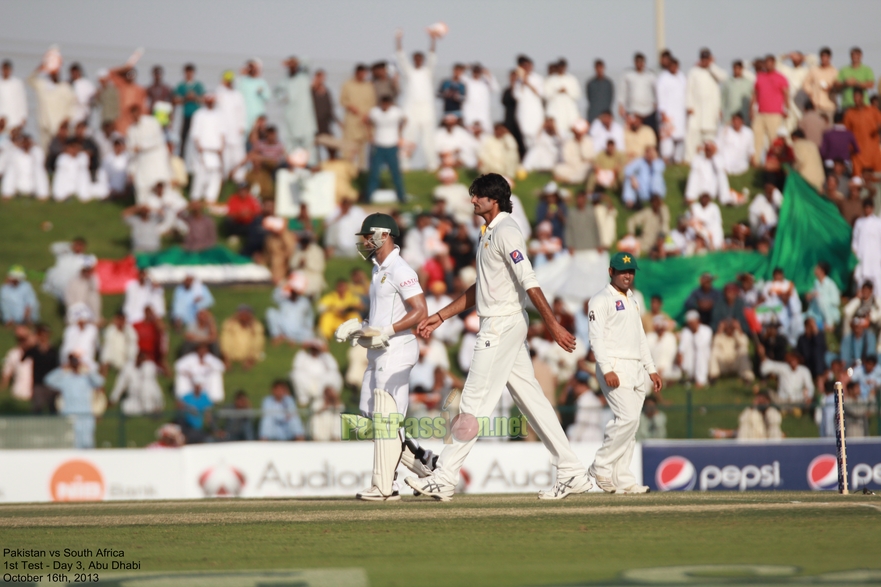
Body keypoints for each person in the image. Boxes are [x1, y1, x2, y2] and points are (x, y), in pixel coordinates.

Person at [410, 174, 593, 501]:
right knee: (532, 401)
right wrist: (440, 316)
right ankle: (572, 470)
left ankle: (445, 476)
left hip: (500, 326)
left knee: (472, 403)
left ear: (493, 199)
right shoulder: (489, 233)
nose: (472, 201)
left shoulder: (507, 232)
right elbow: (481, 288)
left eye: (477, 196)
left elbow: (529, 280)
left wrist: (552, 324)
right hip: (501, 323)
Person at [330, 212, 430, 499]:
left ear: (383, 234)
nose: (363, 241)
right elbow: (382, 316)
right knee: (371, 416)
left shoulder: (401, 269)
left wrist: (388, 329)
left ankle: (386, 486)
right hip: (379, 350)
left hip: (397, 348)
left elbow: (420, 311)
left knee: (387, 420)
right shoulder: (378, 269)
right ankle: (424, 464)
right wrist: (359, 327)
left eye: (367, 235)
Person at [581, 252, 662, 493]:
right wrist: (606, 369)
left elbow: (640, 337)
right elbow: (595, 338)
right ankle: (600, 466)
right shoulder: (599, 300)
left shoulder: (634, 298)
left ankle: (624, 481)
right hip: (614, 366)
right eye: (622, 271)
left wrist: (652, 369)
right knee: (626, 418)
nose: (627, 276)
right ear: (611, 272)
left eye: (630, 272)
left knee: (632, 425)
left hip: (636, 367)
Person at [395, 29, 439, 170]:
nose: (418, 61)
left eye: (420, 59)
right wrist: (398, 40)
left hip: (426, 108)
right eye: (416, 59)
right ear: (414, 60)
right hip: (411, 107)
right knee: (408, 136)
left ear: (422, 60)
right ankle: (405, 164)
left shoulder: (427, 71)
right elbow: (401, 58)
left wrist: (433, 39)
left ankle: (432, 164)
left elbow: (432, 56)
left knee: (428, 138)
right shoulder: (410, 71)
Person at [45, 353, 105, 449]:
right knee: (71, 445)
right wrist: (62, 368)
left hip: (85, 416)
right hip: (69, 416)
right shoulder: (65, 378)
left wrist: (87, 369)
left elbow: (100, 381)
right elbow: (48, 380)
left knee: (88, 444)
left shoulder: (86, 378)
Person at [290, 340, 343, 441]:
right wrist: (302, 349)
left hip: (323, 385)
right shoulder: (305, 357)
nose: (314, 350)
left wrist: (326, 352)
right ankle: (303, 398)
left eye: (316, 348)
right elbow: (296, 367)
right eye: (313, 348)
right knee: (296, 374)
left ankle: (331, 395)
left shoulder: (324, 358)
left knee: (335, 374)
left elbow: (334, 368)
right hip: (309, 384)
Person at [685, 48, 727, 163]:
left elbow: (723, 77)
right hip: (696, 110)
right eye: (703, 58)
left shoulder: (714, 71)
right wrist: (689, 105)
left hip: (710, 111)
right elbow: (689, 90)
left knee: (710, 137)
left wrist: (711, 65)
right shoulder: (694, 71)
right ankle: (690, 159)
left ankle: (710, 159)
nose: (705, 61)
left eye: (707, 58)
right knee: (693, 135)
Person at [126, 103, 170, 205]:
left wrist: (141, 146)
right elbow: (131, 151)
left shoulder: (152, 122)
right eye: (132, 115)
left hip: (156, 160)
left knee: (160, 188)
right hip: (142, 163)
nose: (134, 117)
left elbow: (158, 139)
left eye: (135, 114)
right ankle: (143, 212)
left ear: (140, 113)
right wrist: (131, 170)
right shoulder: (131, 130)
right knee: (141, 188)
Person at [28, 61, 77, 150]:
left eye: (56, 73)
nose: (55, 75)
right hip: (45, 126)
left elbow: (72, 106)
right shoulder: (42, 85)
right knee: (45, 151)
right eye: (52, 73)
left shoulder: (65, 87)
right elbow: (30, 80)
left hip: (59, 128)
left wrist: (66, 122)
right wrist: (40, 69)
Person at [366, 95, 406, 203]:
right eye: (383, 104)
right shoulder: (375, 112)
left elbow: (404, 120)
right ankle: (368, 196)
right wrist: (370, 135)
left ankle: (401, 196)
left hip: (392, 145)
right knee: (374, 172)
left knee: (395, 173)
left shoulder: (396, 112)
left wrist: (400, 133)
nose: (385, 106)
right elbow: (367, 121)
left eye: (387, 104)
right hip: (379, 145)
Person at [276, 56, 317, 162]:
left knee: (309, 150)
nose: (292, 67)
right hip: (291, 121)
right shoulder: (284, 81)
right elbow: (277, 94)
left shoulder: (304, 78)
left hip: (306, 122)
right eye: (290, 65)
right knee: (291, 149)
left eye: (294, 65)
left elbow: (309, 62)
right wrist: (283, 98)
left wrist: (296, 61)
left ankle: (310, 169)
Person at [751, 54, 789, 165]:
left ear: (774, 64)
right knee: (757, 137)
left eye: (770, 63)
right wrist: (751, 109)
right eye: (766, 63)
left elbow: (786, 94)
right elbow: (755, 94)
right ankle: (756, 161)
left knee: (774, 139)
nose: (768, 65)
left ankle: (775, 160)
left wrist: (787, 109)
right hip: (761, 112)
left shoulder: (780, 77)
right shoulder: (760, 77)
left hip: (775, 113)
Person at [339, 64, 376, 170]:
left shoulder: (369, 86)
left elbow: (373, 104)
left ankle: (361, 170)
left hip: (364, 122)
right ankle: (347, 168)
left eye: (365, 73)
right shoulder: (347, 85)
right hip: (351, 121)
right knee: (348, 146)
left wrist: (368, 115)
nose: (364, 75)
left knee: (362, 148)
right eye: (362, 73)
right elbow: (342, 100)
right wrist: (350, 106)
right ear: (357, 73)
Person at [108, 350, 163, 415]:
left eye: (144, 359)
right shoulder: (128, 367)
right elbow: (120, 384)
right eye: (141, 358)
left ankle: (154, 408)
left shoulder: (149, 366)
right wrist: (113, 398)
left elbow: (155, 384)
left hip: (150, 396)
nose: (142, 361)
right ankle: (149, 411)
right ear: (137, 357)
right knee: (126, 407)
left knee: (147, 386)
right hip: (135, 397)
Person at [215, 70, 247, 182]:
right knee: (224, 157)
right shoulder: (220, 93)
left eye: (231, 81)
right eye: (227, 81)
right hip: (223, 133)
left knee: (238, 155)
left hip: (236, 132)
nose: (229, 83)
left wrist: (242, 126)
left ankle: (239, 179)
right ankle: (223, 178)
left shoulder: (238, 95)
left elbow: (242, 112)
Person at [266, 274, 314, 345]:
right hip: (283, 327)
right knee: (270, 312)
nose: (293, 293)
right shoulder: (283, 300)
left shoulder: (304, 302)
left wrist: (309, 326)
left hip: (298, 328)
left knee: (309, 334)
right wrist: (283, 285)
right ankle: (277, 335)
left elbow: (309, 316)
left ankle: (293, 340)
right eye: (292, 291)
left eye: (295, 291)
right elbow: (274, 297)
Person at [618, 52, 657, 139]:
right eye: (638, 62)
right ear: (634, 62)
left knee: (649, 134)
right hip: (633, 111)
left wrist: (656, 103)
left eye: (641, 62)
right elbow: (622, 91)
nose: (640, 64)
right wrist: (621, 106)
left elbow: (657, 91)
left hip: (648, 112)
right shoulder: (628, 75)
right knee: (632, 135)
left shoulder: (650, 76)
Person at [844, 89, 881, 177]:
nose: (856, 99)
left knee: (877, 176)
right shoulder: (850, 113)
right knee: (858, 176)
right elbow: (847, 132)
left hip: (873, 150)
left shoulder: (872, 110)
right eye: (854, 97)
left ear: (862, 97)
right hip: (858, 152)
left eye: (858, 96)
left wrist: (877, 128)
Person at [656, 57, 687, 162]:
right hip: (668, 113)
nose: (674, 68)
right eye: (672, 66)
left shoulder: (681, 77)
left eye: (676, 66)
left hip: (680, 113)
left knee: (680, 137)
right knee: (667, 138)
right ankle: (666, 158)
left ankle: (677, 158)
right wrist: (663, 113)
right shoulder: (663, 78)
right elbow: (660, 96)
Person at [513, 55, 545, 149]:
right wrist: (522, 82)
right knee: (525, 132)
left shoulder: (538, 78)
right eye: (524, 66)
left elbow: (540, 93)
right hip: (524, 110)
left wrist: (528, 83)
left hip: (535, 109)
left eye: (528, 65)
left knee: (536, 132)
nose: (527, 68)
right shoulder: (518, 81)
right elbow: (517, 96)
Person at [219, 304, 265, 370]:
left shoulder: (256, 325)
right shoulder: (231, 323)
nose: (243, 316)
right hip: (232, 353)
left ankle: (250, 361)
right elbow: (225, 336)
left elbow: (258, 341)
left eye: (246, 314)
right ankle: (226, 360)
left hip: (248, 354)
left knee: (258, 339)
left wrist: (251, 326)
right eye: (241, 314)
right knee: (226, 336)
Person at [544, 58, 581, 140]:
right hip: (556, 110)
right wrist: (556, 91)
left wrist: (567, 91)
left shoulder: (571, 79)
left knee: (569, 131)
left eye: (563, 66)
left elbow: (577, 94)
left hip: (568, 110)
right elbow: (546, 94)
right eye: (560, 66)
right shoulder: (551, 80)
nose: (561, 68)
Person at [852, 198, 881, 294]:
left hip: (875, 257)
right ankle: (862, 300)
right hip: (862, 255)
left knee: (876, 277)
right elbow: (855, 240)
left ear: (872, 208)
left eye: (869, 207)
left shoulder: (878, 223)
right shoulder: (859, 222)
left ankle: (878, 301)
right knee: (861, 277)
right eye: (865, 207)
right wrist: (855, 252)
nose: (867, 210)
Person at [678, 310, 713, 387]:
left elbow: (700, 346)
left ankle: (701, 380)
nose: (691, 325)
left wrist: (695, 332)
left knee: (700, 353)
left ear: (698, 321)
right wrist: (680, 355)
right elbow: (681, 348)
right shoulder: (686, 331)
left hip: (706, 360)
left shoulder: (707, 330)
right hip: (690, 362)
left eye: (693, 322)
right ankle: (687, 377)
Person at [237, 59, 271, 133]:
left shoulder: (261, 82)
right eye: (250, 67)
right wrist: (241, 76)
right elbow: (236, 94)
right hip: (245, 115)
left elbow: (267, 97)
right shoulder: (242, 81)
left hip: (258, 115)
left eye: (254, 67)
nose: (252, 69)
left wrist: (261, 92)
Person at [462, 63, 497, 134]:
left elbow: (495, 88)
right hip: (470, 113)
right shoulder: (467, 82)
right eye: (475, 71)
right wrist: (467, 67)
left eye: (478, 71)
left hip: (483, 114)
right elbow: (460, 76)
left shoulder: (485, 83)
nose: (476, 73)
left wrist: (487, 72)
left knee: (486, 133)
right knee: (469, 133)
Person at [803, 48, 838, 118]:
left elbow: (838, 86)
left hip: (830, 105)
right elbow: (805, 84)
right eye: (822, 56)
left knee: (829, 127)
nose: (824, 59)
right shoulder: (814, 70)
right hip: (816, 105)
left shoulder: (834, 71)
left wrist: (831, 88)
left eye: (826, 57)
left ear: (829, 57)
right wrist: (812, 93)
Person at [721, 60, 753, 125]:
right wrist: (720, 110)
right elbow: (723, 98)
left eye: (738, 68)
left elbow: (752, 98)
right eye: (735, 68)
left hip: (744, 115)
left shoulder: (748, 82)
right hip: (730, 114)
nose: (736, 70)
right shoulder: (727, 82)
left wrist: (751, 111)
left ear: (742, 69)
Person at [0, 60, 28, 132]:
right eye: (4, 69)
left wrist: (23, 116)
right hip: (1, 120)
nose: (5, 71)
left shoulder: (17, 83)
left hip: (14, 118)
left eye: (7, 69)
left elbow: (22, 100)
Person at [586, 59, 614, 124]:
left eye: (600, 67)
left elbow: (611, 98)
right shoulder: (590, 83)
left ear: (603, 68)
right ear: (595, 68)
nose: (599, 70)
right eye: (597, 68)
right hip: (593, 114)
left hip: (605, 114)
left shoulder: (608, 83)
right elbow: (589, 97)